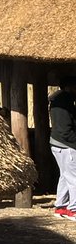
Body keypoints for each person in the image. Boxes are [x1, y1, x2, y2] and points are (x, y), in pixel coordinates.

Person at [49, 76, 76, 220]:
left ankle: (61, 207)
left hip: (58, 144)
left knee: (65, 176)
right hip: (66, 145)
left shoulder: (60, 100)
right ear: (70, 87)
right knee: (74, 177)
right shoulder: (63, 103)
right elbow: (65, 130)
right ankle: (73, 209)